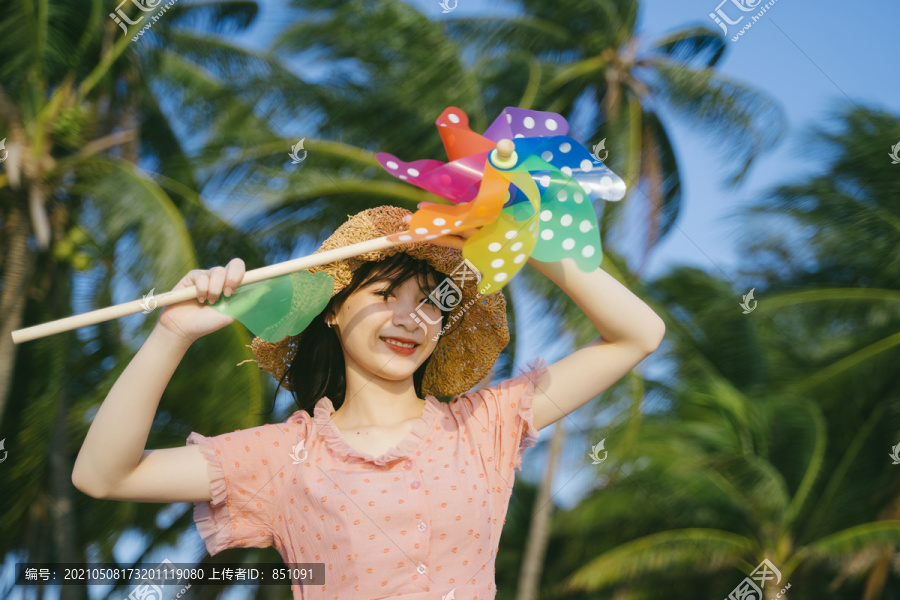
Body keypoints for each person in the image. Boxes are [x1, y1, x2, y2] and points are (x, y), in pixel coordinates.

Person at [72, 205, 666, 599]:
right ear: (332, 309)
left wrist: (526, 238)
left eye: (432, 303)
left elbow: (639, 334)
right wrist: (172, 331)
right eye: (385, 293)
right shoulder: (284, 456)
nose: (411, 317)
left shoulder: (484, 426)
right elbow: (104, 474)